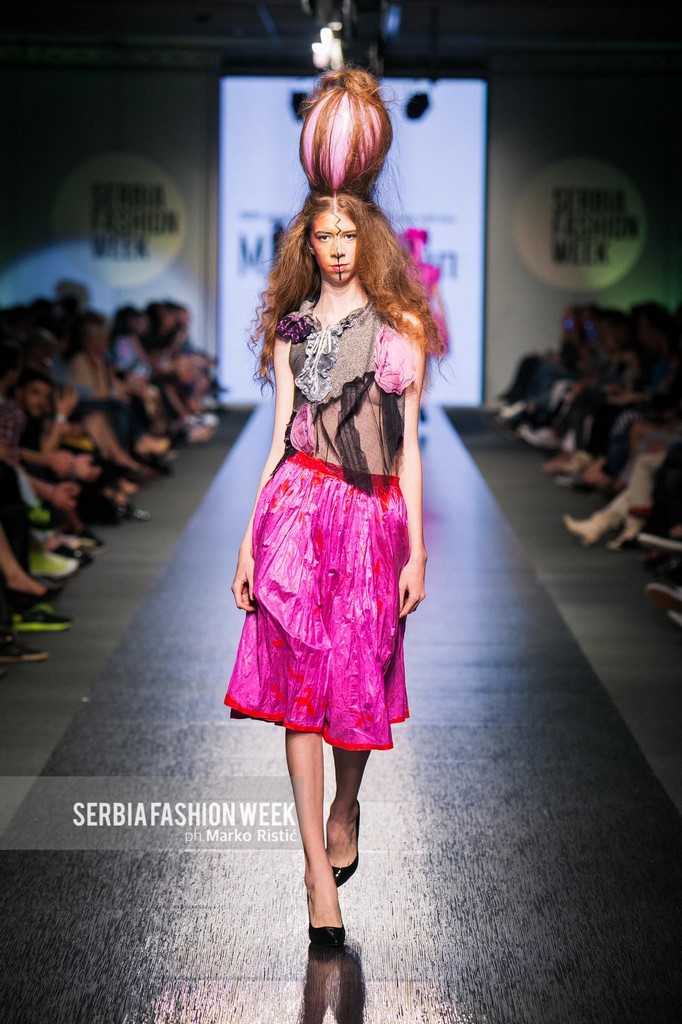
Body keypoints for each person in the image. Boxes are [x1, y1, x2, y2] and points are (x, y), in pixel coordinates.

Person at [223, 68, 442, 948]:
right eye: (326, 235)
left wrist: (417, 551)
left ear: (369, 237)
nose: (339, 247)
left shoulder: (403, 329)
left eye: (351, 233)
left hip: (372, 523)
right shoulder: (293, 330)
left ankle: (347, 807)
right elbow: (280, 437)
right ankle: (317, 871)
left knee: (357, 687)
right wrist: (249, 542)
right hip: (298, 513)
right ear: (308, 243)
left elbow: (410, 447)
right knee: (302, 698)